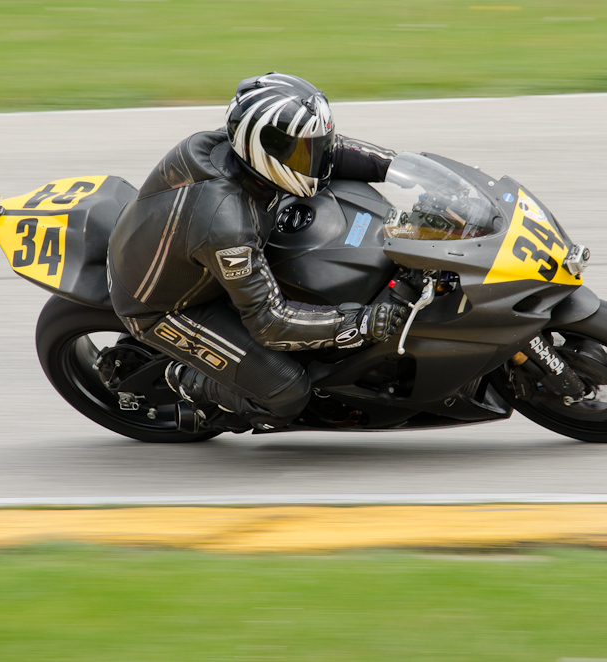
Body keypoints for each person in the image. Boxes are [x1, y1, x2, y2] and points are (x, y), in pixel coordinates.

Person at [107, 73, 408, 431]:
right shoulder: (228, 226)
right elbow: (270, 322)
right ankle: (183, 377)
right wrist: (356, 323)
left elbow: (336, 153)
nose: (319, 157)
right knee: (286, 392)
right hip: (164, 306)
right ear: (265, 150)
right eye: (305, 151)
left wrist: (405, 169)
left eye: (316, 145)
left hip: (178, 250)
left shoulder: (227, 148)